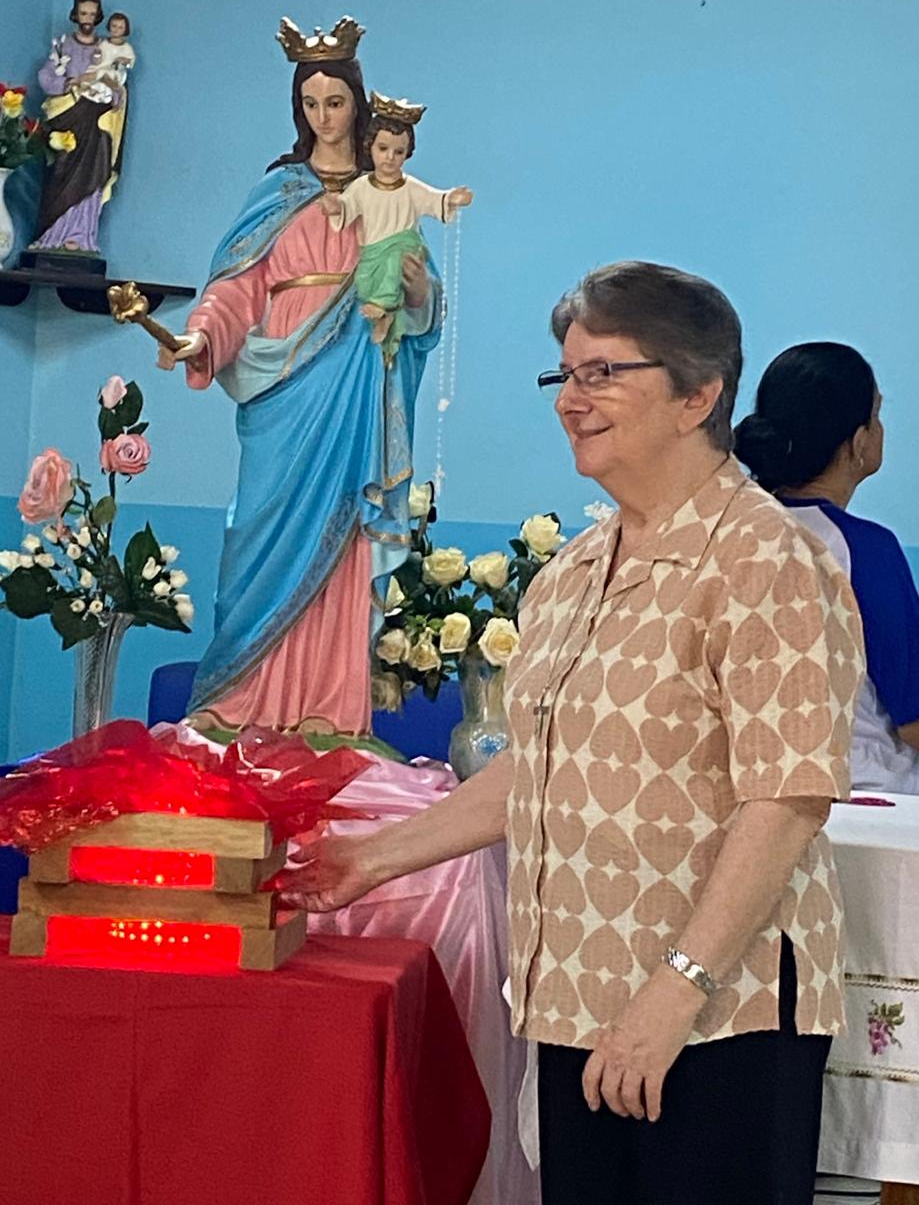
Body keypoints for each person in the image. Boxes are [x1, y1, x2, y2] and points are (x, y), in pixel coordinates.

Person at [277, 261, 865, 1204]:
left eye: (603, 373)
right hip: (578, 998)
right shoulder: (574, 573)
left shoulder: (768, 560)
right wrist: (372, 859)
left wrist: (674, 990)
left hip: (721, 1011)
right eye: (565, 374)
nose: (570, 400)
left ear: (698, 396)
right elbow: (545, 770)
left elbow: (786, 798)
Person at [157, 16, 442, 736]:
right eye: (310, 103)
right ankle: (237, 702)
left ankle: (329, 713)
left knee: (344, 541)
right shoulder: (278, 191)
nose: (324, 117)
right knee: (258, 536)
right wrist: (200, 336)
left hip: (357, 382)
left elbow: (424, 304)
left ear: (357, 102)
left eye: (335, 102)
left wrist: (416, 292)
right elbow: (235, 289)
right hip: (281, 392)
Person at [735, 341, 919, 795]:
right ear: (858, 442)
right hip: (859, 801)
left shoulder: (734, 532)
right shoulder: (865, 550)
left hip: (751, 795)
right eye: (876, 415)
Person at [321, 94, 472, 353]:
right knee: (365, 279)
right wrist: (336, 207)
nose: (390, 157)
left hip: (403, 244)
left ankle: (385, 310)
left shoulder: (410, 188)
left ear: (407, 154)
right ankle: (386, 316)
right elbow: (347, 207)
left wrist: (452, 198)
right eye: (383, 149)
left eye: (398, 152)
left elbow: (434, 200)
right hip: (373, 249)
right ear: (370, 147)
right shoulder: (362, 186)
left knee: (395, 267)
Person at [33, 0, 127, 253]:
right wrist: (69, 83)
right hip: (68, 118)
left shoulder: (106, 48)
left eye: (92, 14)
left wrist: (114, 91)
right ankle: (52, 234)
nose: (87, 18)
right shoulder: (63, 45)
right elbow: (46, 77)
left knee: (94, 174)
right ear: (75, 14)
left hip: (96, 122)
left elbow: (116, 86)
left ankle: (81, 235)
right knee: (60, 173)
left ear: (98, 17)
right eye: (83, 13)